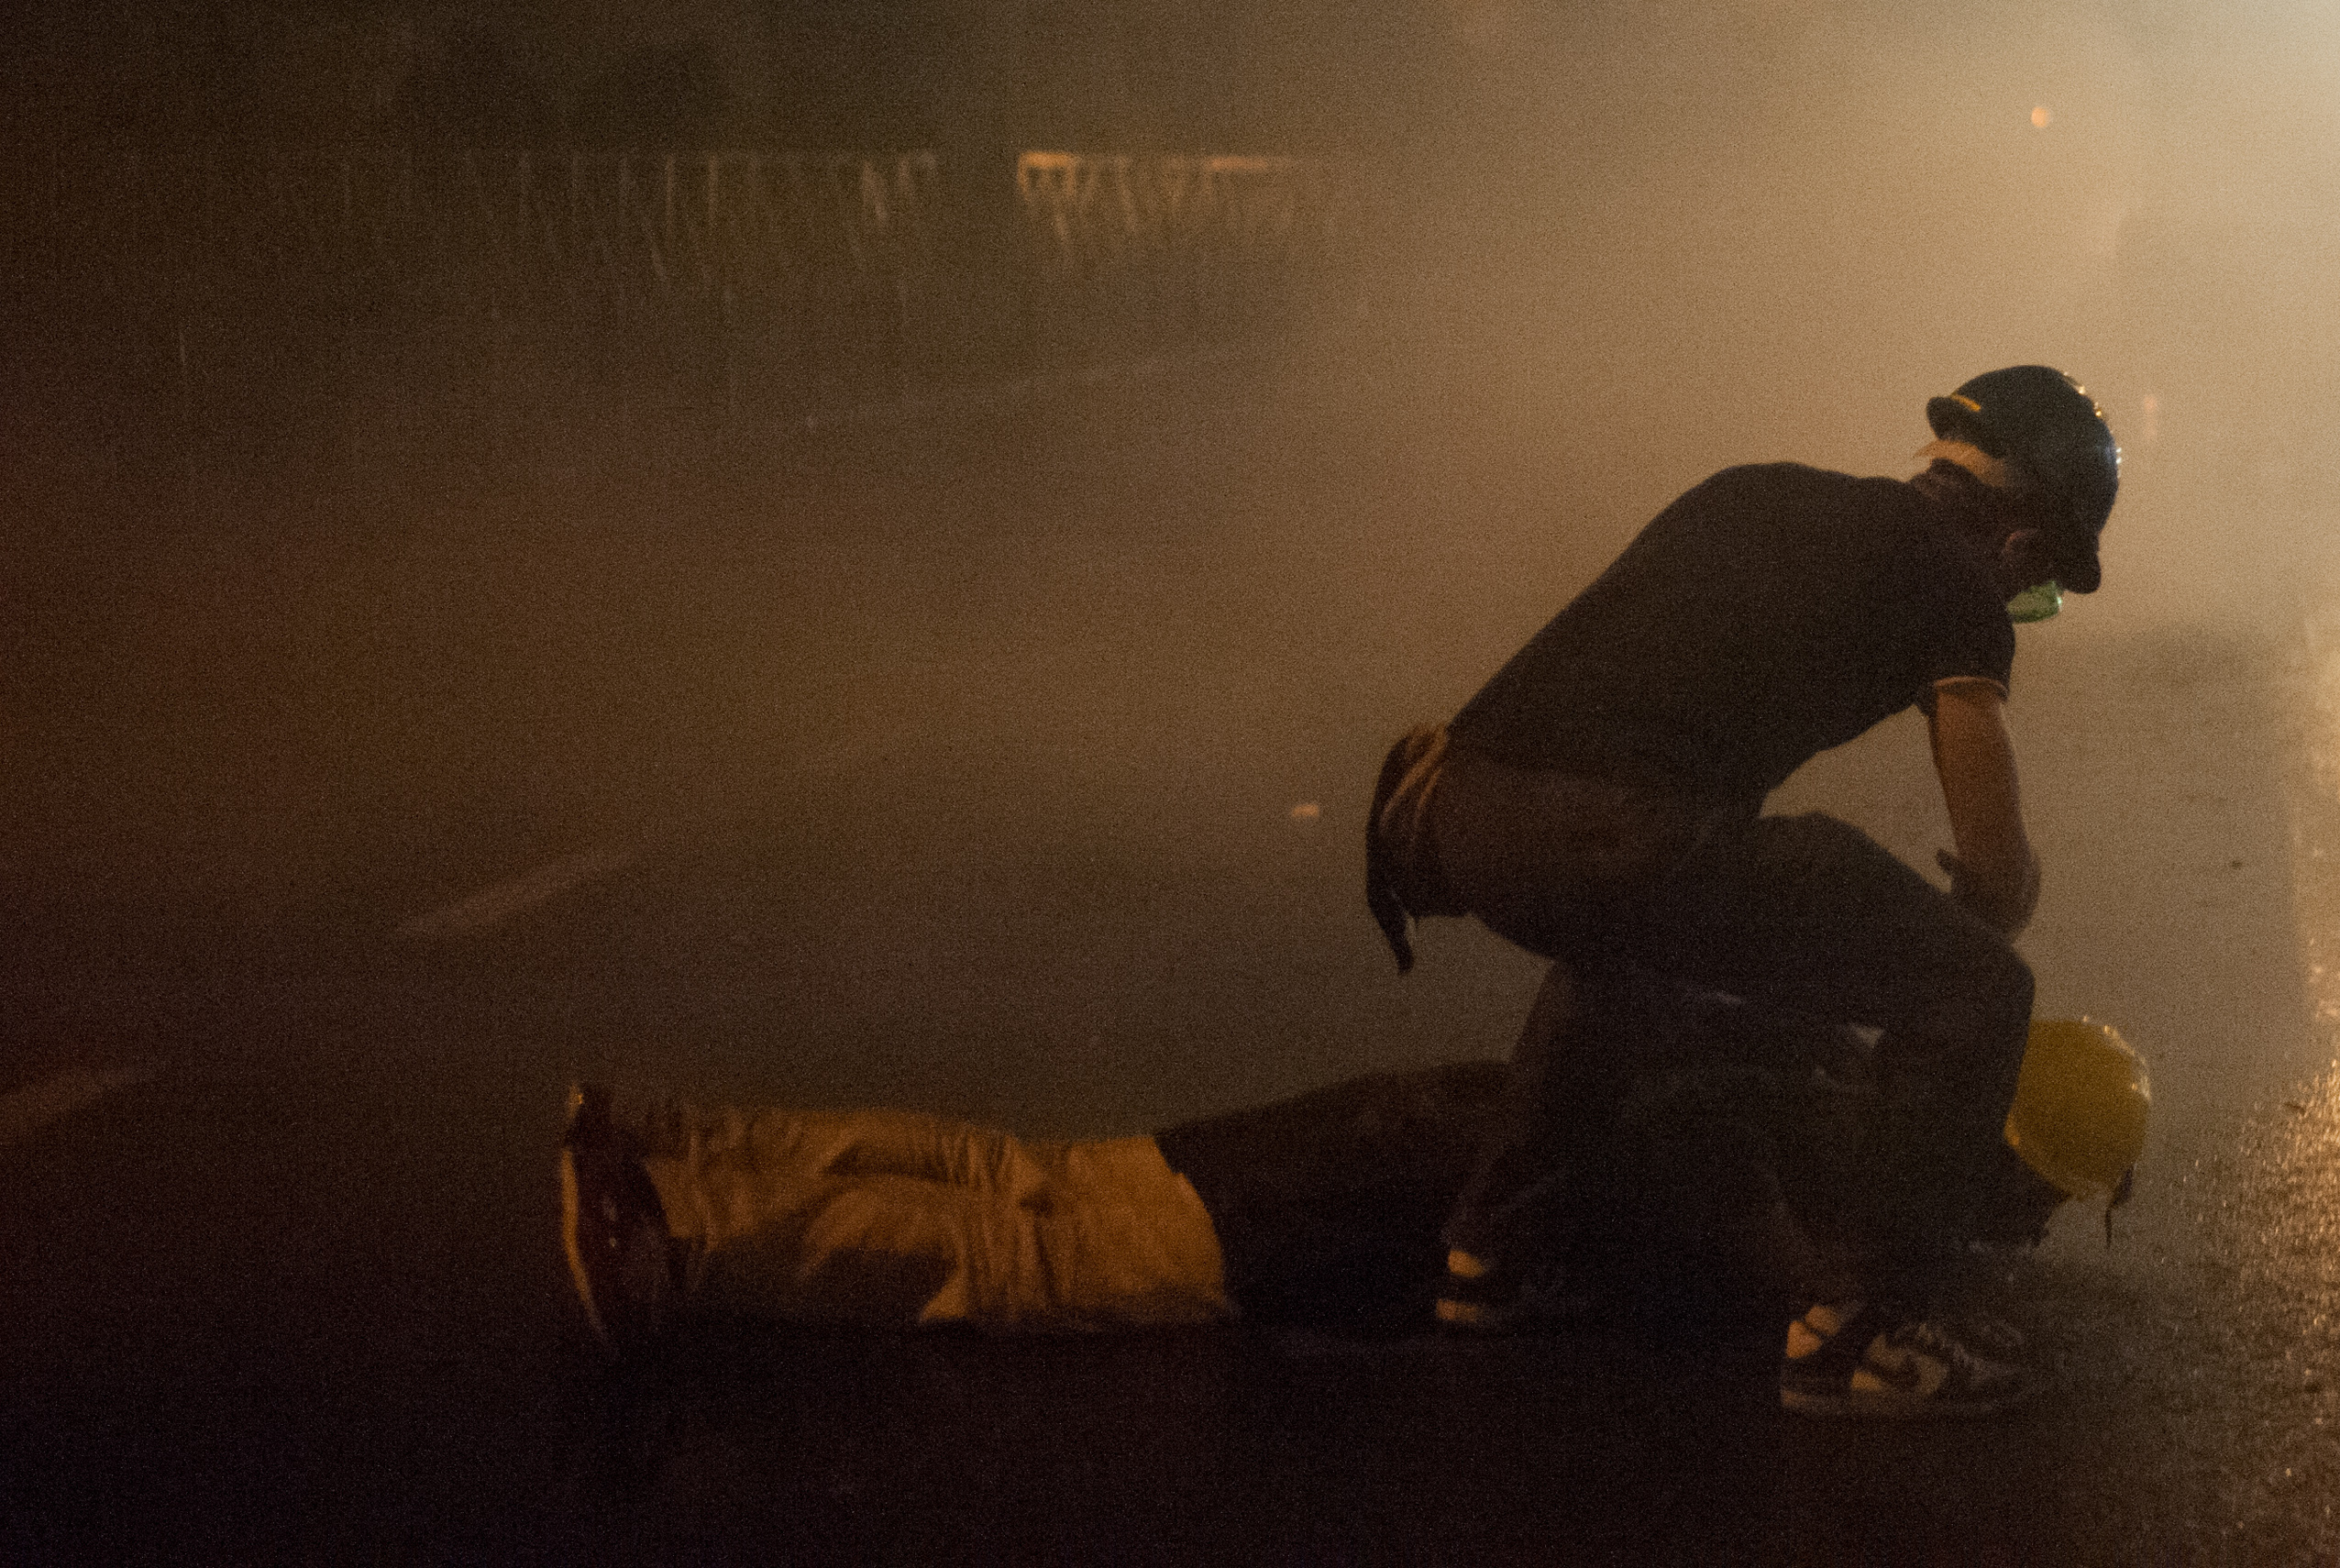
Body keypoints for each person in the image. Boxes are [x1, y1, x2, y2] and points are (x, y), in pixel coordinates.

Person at [1362, 365, 2120, 1419]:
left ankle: (1489, 1262)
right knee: (1977, 988)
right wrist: (1994, 907)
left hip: (1458, 810)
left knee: (1631, 949)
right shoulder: (1957, 580)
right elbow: (1990, 860)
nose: (2017, 604)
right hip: (1615, 828)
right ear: (2021, 543)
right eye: (2033, 588)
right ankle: (1861, 1331)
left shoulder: (1748, 487)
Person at [554, 1014, 2149, 1354]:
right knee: (1026, 1258)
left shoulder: (1854, 1052)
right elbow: (1711, 1180)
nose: (2041, 1224)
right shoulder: (1857, 1155)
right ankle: (683, 1227)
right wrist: (1805, 1283)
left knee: (1028, 1175)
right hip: (1406, 1198)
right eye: (2053, 1192)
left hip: (1422, 1111)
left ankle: (681, 1129)